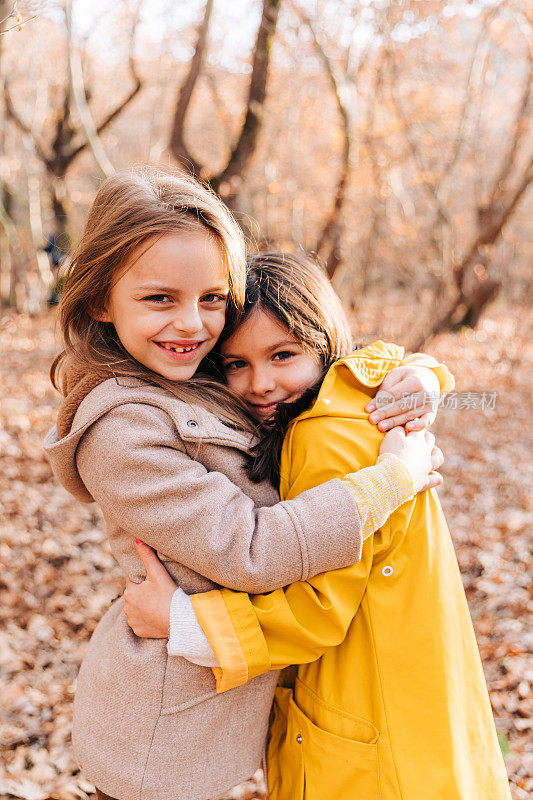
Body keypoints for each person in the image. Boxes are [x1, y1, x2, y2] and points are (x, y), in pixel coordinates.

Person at [44, 168, 447, 800]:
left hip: (218, 714)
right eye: (159, 300)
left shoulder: (192, 372)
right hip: (161, 740)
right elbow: (251, 549)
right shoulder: (122, 432)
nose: (192, 324)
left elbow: (328, 351)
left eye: (211, 298)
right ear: (100, 300)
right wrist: (391, 480)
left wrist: (424, 376)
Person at [125, 252, 510, 800]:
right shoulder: (351, 395)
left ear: (322, 338)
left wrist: (184, 622)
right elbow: (384, 361)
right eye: (236, 363)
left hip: (371, 734)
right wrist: (428, 372)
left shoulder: (320, 437)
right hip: (413, 701)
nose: (261, 383)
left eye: (282, 355)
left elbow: (318, 607)